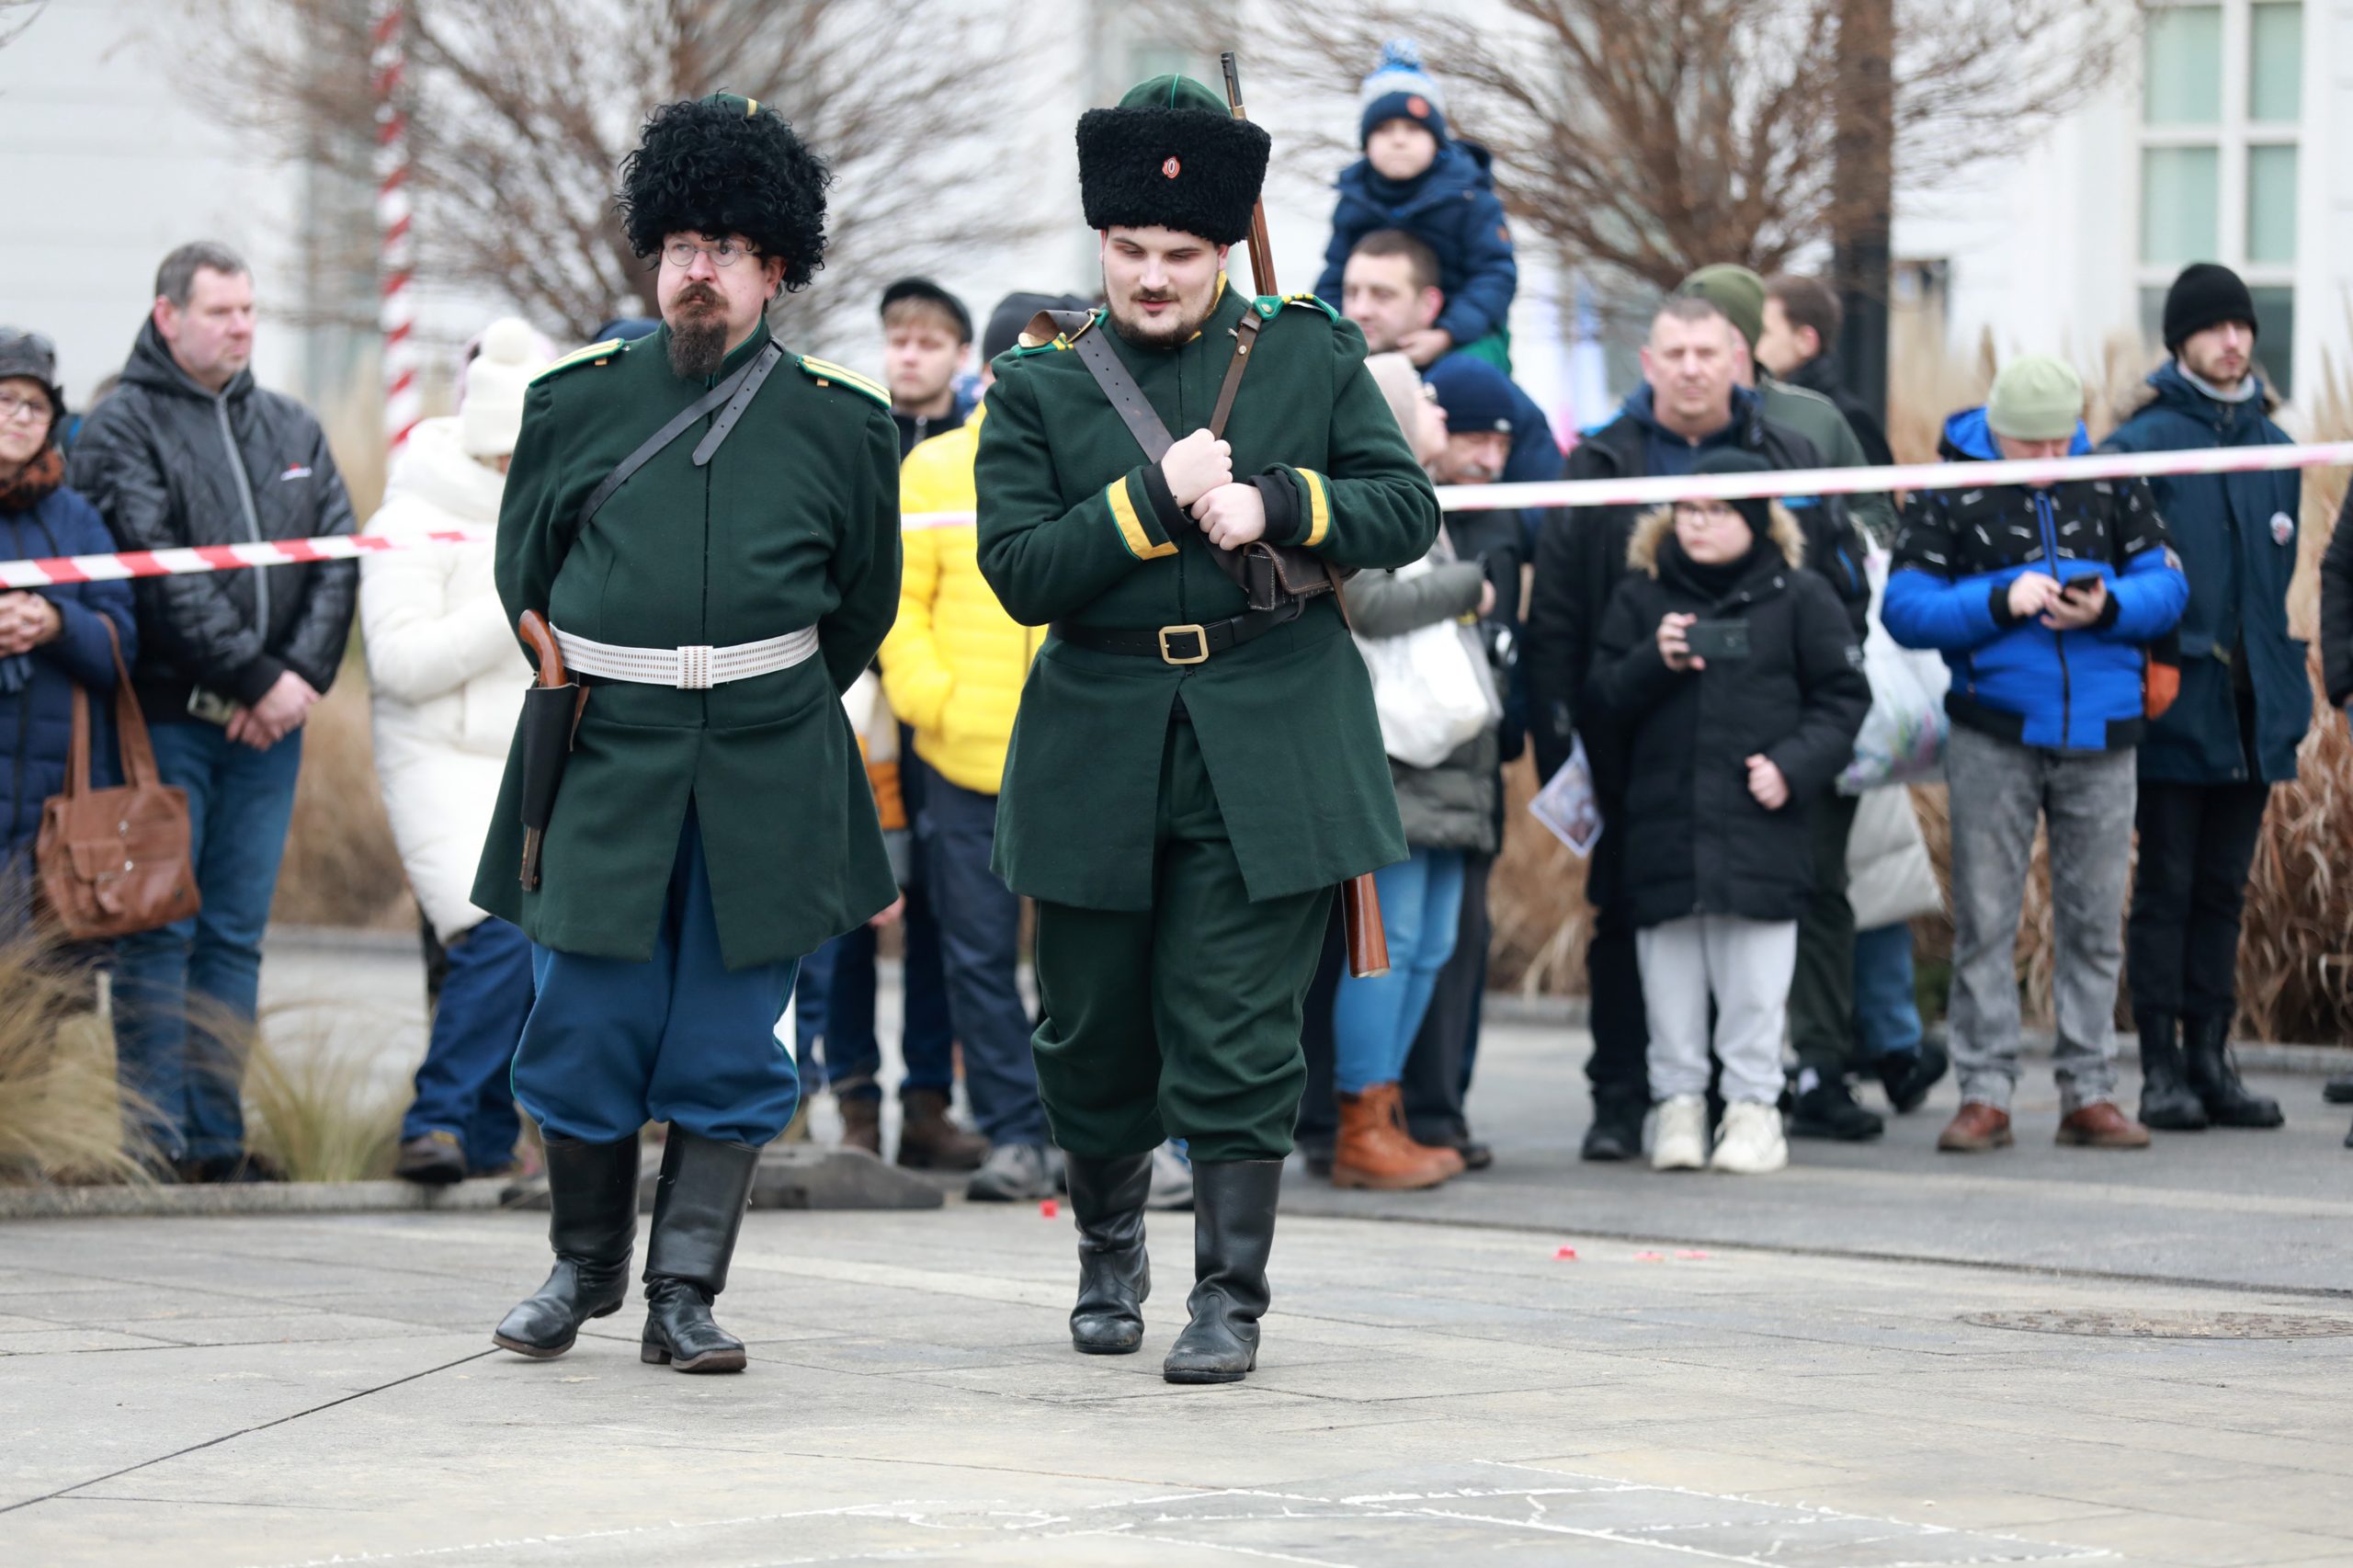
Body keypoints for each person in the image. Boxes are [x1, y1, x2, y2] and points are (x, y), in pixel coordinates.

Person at [976, 74, 1438, 1383]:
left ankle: (1229, 1294)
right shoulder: (1039, 381)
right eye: (1130, 248)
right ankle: (1107, 1253)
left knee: (1238, 1025)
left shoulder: (1307, 350)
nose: (1152, 276)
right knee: (1091, 1030)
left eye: (1180, 253)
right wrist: (1147, 501)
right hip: (1096, 739)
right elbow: (1018, 569)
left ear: (1225, 249)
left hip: (1271, 731)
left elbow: (1402, 508)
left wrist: (1284, 504)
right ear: (1101, 241)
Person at [473, 94, 901, 1373]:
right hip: (605, 750)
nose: (695, 269)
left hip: (766, 757)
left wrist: (753, 693)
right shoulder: (575, 402)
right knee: (584, 1017)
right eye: (676, 245)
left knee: (727, 1035)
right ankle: (583, 1267)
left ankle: (684, 1293)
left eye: (723, 247)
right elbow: (524, 580)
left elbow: (861, 605)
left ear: (775, 267)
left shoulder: (842, 420)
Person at [1524, 295, 1866, 1164]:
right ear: (1648, 363)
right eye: (1672, 352)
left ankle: (1762, 1100)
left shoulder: (1787, 464)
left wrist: (1800, 757)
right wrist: (1571, 735)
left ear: (1737, 359)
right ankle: (1638, 1101)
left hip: (1764, 784)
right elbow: (1563, 620)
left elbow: (1838, 636)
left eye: (1706, 352)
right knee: (1638, 938)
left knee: (1769, 937)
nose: (1689, 368)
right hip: (1641, 772)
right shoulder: (1602, 465)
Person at [69, 242, 359, 1183]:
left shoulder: (292, 425)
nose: (241, 327)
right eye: (220, 311)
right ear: (169, 316)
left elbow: (337, 556)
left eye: (248, 310)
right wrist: (257, 678)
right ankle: (154, 1141)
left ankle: (214, 1140)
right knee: (160, 927)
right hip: (166, 726)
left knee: (235, 933)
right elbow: (158, 580)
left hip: (269, 731)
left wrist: (295, 679)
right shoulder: (121, 428)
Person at [1883, 355, 2188, 1153]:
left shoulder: (2112, 478)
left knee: (2094, 921)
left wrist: (2109, 606)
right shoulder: (1949, 491)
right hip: (1993, 729)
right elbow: (1905, 609)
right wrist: (1999, 598)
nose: (2051, 461)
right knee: (1987, 919)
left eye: (2061, 442)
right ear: (1998, 431)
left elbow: (2169, 588)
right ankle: (1984, 1094)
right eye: (2031, 446)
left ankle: (2091, 1091)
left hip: (2105, 730)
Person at [1593, 449, 1870, 1174]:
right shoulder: (1640, 598)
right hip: (1664, 827)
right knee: (1669, 987)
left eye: (1718, 511)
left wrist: (1793, 766)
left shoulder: (1801, 596)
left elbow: (1844, 699)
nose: (1699, 524)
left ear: (1754, 519)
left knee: (1756, 985)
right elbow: (1600, 702)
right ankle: (1677, 1108)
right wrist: (1652, 660)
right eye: (1688, 510)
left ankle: (1754, 1111)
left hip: (1761, 827)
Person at [1676, 267, 1884, 1142]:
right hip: (1684, 707)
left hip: (1799, 702)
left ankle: (1823, 1062)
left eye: (1716, 338)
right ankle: (1694, 1085)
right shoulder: (1643, 438)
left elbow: (1865, 537)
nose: (1696, 363)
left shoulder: (1809, 429)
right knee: (1689, 895)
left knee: (1818, 884)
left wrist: (1824, 647)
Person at [880, 290, 1079, 1201]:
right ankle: (1011, 1132)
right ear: (991, 374)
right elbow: (899, 605)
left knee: (1079, 959)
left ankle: (1082, 1130)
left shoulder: (1098, 461)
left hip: (1077, 759)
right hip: (961, 760)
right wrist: (936, 705)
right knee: (976, 955)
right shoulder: (932, 470)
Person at [2104, 263, 2303, 1133]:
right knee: (2167, 886)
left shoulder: (2276, 446)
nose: (2233, 341)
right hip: (2173, 698)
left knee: (2225, 889)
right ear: (2180, 341)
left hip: (2255, 707)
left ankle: (2211, 1061)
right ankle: (2159, 1068)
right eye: (2215, 327)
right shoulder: (2140, 445)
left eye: (2242, 326)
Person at [363, 319, 550, 1186]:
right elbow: (400, 665)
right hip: (433, 756)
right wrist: (515, 606)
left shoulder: (550, 510)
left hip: (524, 755)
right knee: (493, 933)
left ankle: (483, 1140)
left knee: (531, 939)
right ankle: (432, 1121)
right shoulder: (413, 516)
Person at [1324, 352, 1493, 1190]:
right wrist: (1469, 585)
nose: (1441, 408)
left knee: (1428, 942)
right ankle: (1360, 1120)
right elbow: (1367, 602)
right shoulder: (1365, 490)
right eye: (1424, 397)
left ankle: (1384, 1114)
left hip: (1444, 758)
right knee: (1385, 945)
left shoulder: (1419, 492)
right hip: (1394, 751)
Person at [0, 330, 138, 936]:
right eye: (6, 399)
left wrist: (57, 622)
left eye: (36, 405)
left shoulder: (77, 518)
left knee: (52, 981)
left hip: (59, 808)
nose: (20, 417)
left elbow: (122, 644)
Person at [1312, 42, 1515, 370]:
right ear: (1366, 143)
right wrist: (1332, 333)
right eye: (1384, 129)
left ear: (1437, 140)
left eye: (1413, 129)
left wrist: (1446, 334)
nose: (1399, 139)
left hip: (1463, 334)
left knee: (1466, 376)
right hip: (1376, 335)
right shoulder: (1353, 199)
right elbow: (1335, 277)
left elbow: (1495, 275)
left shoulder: (1470, 197)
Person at [1756, 274, 1894, 470]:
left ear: (1805, 341)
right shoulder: (1750, 408)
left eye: (1763, 332)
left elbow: (1873, 489)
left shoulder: (1848, 418)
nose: (1750, 342)